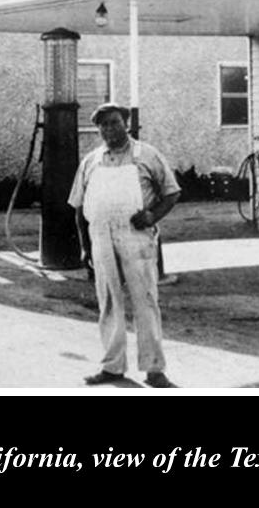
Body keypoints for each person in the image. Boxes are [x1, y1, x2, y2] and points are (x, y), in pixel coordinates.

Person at [68, 102, 181, 388]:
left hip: (136, 236)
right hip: (101, 237)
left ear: (126, 124)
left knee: (145, 301)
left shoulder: (147, 155)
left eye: (115, 122)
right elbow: (79, 207)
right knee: (108, 302)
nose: (109, 129)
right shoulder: (91, 161)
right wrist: (84, 246)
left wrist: (153, 215)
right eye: (103, 125)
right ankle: (112, 366)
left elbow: (171, 192)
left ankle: (154, 369)